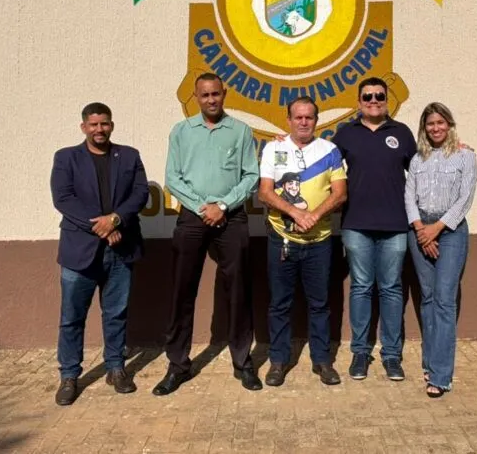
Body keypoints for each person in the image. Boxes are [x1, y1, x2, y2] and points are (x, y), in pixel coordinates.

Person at [155, 73, 261, 395]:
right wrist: (204, 207)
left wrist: (223, 206)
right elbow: (173, 177)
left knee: (239, 290)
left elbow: (250, 176)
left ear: (224, 94)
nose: (211, 100)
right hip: (192, 217)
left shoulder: (241, 131)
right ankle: (178, 365)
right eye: (205, 95)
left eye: (216, 94)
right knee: (182, 291)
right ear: (196, 97)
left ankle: (243, 363)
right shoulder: (182, 132)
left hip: (232, 218)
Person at [50, 102, 149, 406]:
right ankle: (69, 375)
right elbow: (63, 198)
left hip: (121, 250)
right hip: (80, 251)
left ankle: (116, 368)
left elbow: (141, 193)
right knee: (71, 318)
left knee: (116, 314)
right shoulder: (67, 158)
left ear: (112, 125)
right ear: (84, 127)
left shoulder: (129, 156)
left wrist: (116, 219)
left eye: (104, 124)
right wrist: (104, 226)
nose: (99, 130)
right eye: (93, 125)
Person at [258, 96, 348, 387]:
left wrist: (314, 215)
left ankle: (322, 361)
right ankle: (278, 361)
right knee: (279, 304)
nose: (304, 122)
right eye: (298, 117)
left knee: (320, 304)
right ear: (289, 120)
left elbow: (340, 193)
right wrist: (295, 212)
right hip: (281, 239)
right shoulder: (273, 148)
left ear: (316, 120)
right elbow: (265, 192)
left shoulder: (330, 150)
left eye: (309, 117)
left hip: (319, 241)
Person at [332, 77, 417, 382]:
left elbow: (423, 170)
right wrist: (283, 144)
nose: (373, 100)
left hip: (395, 225)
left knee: (392, 289)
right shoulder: (345, 135)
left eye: (379, 96)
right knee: (361, 288)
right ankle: (360, 353)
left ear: (386, 100)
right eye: (367, 96)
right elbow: (318, 164)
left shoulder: (402, 133)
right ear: (359, 102)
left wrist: (455, 149)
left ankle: (392, 356)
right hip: (356, 225)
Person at [404, 102, 477, 398]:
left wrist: (436, 229)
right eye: (430, 124)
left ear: (449, 124)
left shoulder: (465, 156)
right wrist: (422, 229)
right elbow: (409, 196)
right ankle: (429, 361)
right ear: (424, 128)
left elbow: (465, 198)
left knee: (445, 301)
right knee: (428, 298)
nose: (435, 128)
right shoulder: (417, 159)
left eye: (440, 123)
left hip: (450, 233)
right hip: (420, 230)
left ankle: (441, 375)